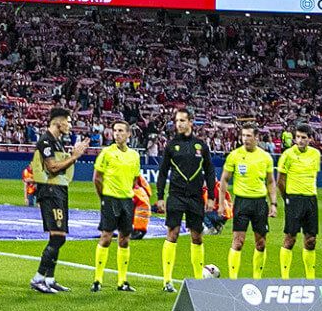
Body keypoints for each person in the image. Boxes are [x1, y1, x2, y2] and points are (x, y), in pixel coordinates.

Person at [29, 107, 87, 294]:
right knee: (58, 237)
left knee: (58, 237)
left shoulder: (57, 142)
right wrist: (75, 156)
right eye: (68, 122)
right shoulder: (46, 141)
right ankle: (38, 278)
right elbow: (52, 167)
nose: (70, 125)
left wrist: (72, 155)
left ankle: (50, 279)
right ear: (58, 122)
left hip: (59, 190)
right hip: (50, 191)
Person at [155, 107, 210, 292]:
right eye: (176, 121)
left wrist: (211, 197)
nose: (178, 124)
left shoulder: (201, 146)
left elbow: (209, 172)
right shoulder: (171, 146)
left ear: (190, 122)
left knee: (197, 236)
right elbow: (163, 172)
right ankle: (167, 281)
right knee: (173, 233)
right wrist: (160, 196)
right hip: (176, 195)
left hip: (195, 197)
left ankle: (198, 281)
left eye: (182, 120)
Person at [220, 123, 278, 280]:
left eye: (248, 136)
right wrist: (221, 203)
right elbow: (224, 179)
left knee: (261, 243)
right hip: (242, 203)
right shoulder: (234, 155)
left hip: (260, 203)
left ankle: (257, 280)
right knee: (238, 242)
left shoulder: (265, 157)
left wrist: (273, 204)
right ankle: (233, 280)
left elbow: (270, 182)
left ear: (256, 137)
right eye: (243, 135)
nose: (245, 139)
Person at [92, 120, 142, 293]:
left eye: (121, 131)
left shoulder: (134, 156)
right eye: (115, 130)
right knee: (106, 237)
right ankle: (97, 279)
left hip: (127, 200)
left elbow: (135, 179)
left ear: (128, 134)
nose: (117, 134)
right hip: (110, 199)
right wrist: (104, 197)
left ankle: (122, 281)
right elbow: (97, 178)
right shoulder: (106, 152)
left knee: (125, 239)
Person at [276, 123, 322, 280]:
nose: (300, 140)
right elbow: (280, 181)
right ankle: (285, 278)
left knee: (311, 240)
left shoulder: (315, 154)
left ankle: (310, 278)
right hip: (294, 198)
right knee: (290, 238)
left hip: (311, 199)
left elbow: (313, 176)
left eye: (304, 137)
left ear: (310, 139)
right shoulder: (288, 155)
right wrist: (287, 198)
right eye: (298, 137)